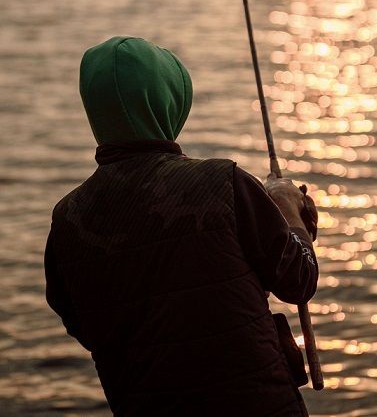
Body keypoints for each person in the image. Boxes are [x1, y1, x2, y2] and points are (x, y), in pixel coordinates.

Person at [44, 36, 319, 416]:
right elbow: (298, 280)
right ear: (170, 100)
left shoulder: (67, 219)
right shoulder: (224, 181)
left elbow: (83, 328)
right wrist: (289, 211)